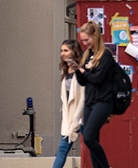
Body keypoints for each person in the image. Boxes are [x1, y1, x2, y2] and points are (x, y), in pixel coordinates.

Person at [72, 22, 116, 168]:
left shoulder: (105, 55)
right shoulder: (87, 55)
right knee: (92, 140)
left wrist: (85, 71)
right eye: (82, 40)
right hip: (89, 101)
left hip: (103, 101)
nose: (85, 43)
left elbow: (98, 79)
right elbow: (83, 82)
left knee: (89, 137)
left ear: (95, 36)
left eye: (87, 40)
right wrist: (77, 70)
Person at [53, 39, 85, 168]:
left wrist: (77, 119)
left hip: (83, 116)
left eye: (66, 50)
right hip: (70, 117)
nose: (62, 54)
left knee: (92, 148)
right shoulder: (65, 71)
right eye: (61, 51)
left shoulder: (82, 70)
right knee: (62, 148)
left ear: (74, 52)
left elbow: (84, 96)